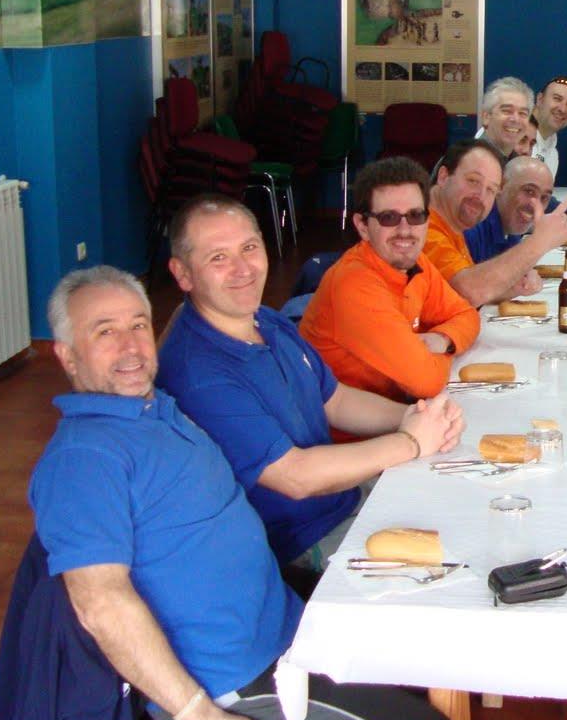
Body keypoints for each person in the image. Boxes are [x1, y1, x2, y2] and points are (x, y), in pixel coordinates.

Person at [30, 266, 459, 720]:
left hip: (280, 618)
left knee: (430, 627)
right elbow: (100, 603)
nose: (131, 346)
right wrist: (199, 716)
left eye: (138, 325)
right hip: (235, 675)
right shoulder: (83, 459)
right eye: (105, 331)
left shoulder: (154, 410)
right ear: (66, 355)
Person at [157, 195, 465, 576]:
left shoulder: (265, 321)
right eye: (218, 258)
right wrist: (411, 442)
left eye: (249, 248)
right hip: (303, 541)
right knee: (456, 569)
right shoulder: (199, 374)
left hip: (342, 497)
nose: (243, 269)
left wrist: (416, 416)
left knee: (464, 506)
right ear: (183, 274)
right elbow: (295, 476)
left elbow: (335, 400)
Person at [300, 157, 481, 404]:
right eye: (388, 218)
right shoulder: (354, 284)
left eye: (415, 215)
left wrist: (444, 339)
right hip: (346, 426)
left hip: (397, 408)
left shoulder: (416, 262)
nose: (405, 230)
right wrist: (438, 351)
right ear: (363, 226)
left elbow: (467, 315)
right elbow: (427, 381)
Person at [426, 139, 567, 306]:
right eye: (473, 181)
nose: (480, 196)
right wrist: (539, 242)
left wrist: (514, 287)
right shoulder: (422, 226)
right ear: (443, 177)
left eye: (490, 189)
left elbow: (458, 293)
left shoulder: (455, 223)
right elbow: (468, 292)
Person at [531, 75, 567, 181]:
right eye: (557, 99)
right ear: (539, 99)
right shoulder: (514, 140)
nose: (562, 109)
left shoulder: (552, 154)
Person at [475, 76, 535, 158]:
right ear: (486, 117)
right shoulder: (469, 161)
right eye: (507, 111)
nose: (515, 119)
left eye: (522, 113)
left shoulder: (516, 162)